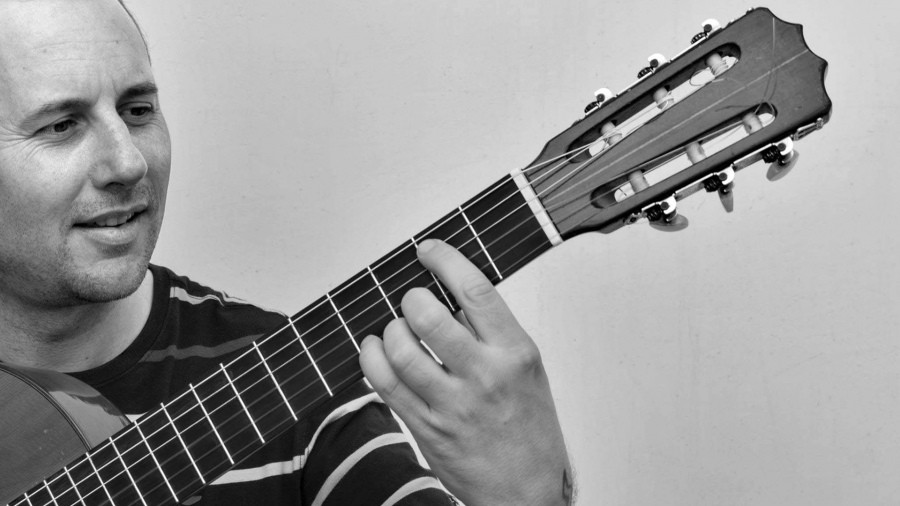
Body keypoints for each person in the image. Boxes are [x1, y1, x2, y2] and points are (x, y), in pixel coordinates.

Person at [0, 0, 572, 505]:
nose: (129, 162)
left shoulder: (295, 393)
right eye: (61, 126)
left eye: (138, 111)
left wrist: (526, 497)